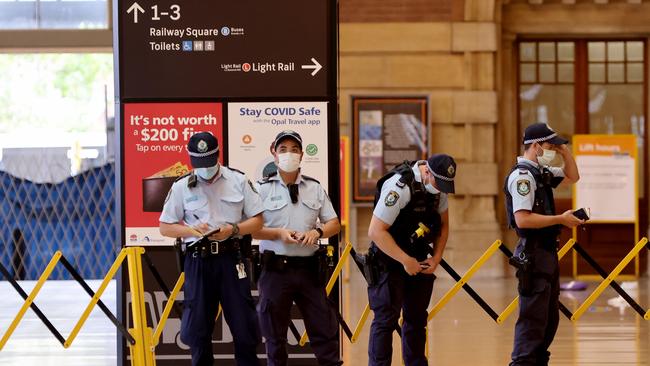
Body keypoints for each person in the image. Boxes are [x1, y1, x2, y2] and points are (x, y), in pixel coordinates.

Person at [159, 131, 263, 366]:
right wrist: (192, 230)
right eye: (199, 164)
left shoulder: (239, 180)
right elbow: (165, 227)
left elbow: (258, 221)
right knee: (197, 330)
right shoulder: (181, 186)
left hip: (231, 259)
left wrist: (233, 229)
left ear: (218, 155)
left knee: (244, 326)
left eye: (208, 162)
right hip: (199, 261)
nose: (204, 169)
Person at [253, 130, 342, 366]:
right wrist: (278, 234)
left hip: (309, 271)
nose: (289, 154)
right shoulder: (261, 189)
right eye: (283, 150)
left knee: (324, 331)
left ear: (302, 155)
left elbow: (334, 223)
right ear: (274, 153)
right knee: (274, 337)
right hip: (274, 270)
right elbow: (250, 230)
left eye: (294, 150)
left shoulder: (314, 188)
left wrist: (317, 232)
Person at [366, 154, 456, 366]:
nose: (441, 189)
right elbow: (375, 231)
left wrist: (436, 258)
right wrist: (406, 261)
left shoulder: (438, 189)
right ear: (426, 172)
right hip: (388, 260)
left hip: (418, 258)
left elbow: (444, 226)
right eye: (438, 183)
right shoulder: (399, 187)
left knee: (416, 321)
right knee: (385, 321)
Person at [505, 123, 583, 366]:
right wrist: (561, 219)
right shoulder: (522, 177)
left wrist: (564, 151)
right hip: (533, 253)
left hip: (547, 253)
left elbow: (573, 177)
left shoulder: (541, 171)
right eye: (549, 145)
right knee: (532, 322)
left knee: (548, 322)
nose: (552, 148)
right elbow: (523, 219)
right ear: (536, 146)